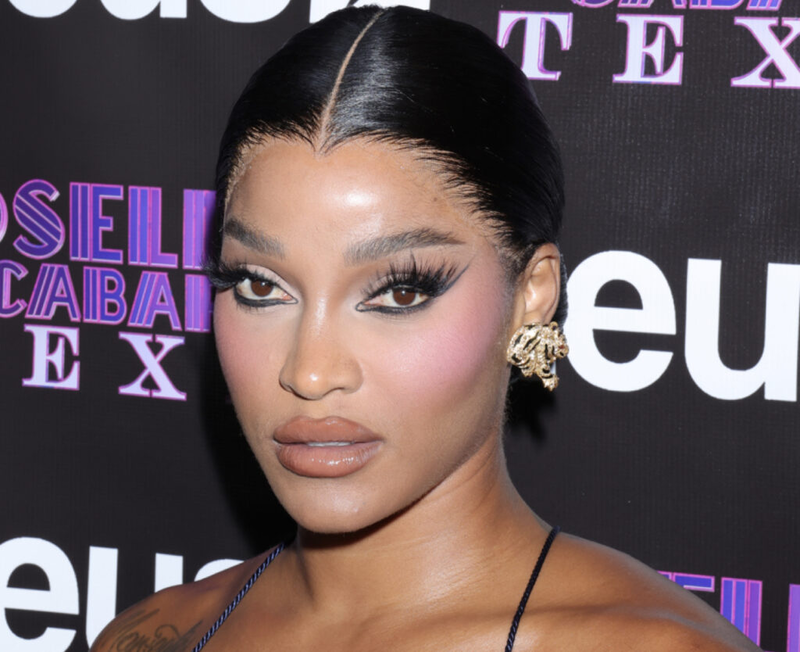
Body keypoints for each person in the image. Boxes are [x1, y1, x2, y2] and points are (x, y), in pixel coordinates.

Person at [91, 6, 761, 651]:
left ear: (531, 296)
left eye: (399, 291)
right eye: (260, 286)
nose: (310, 372)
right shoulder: (149, 637)